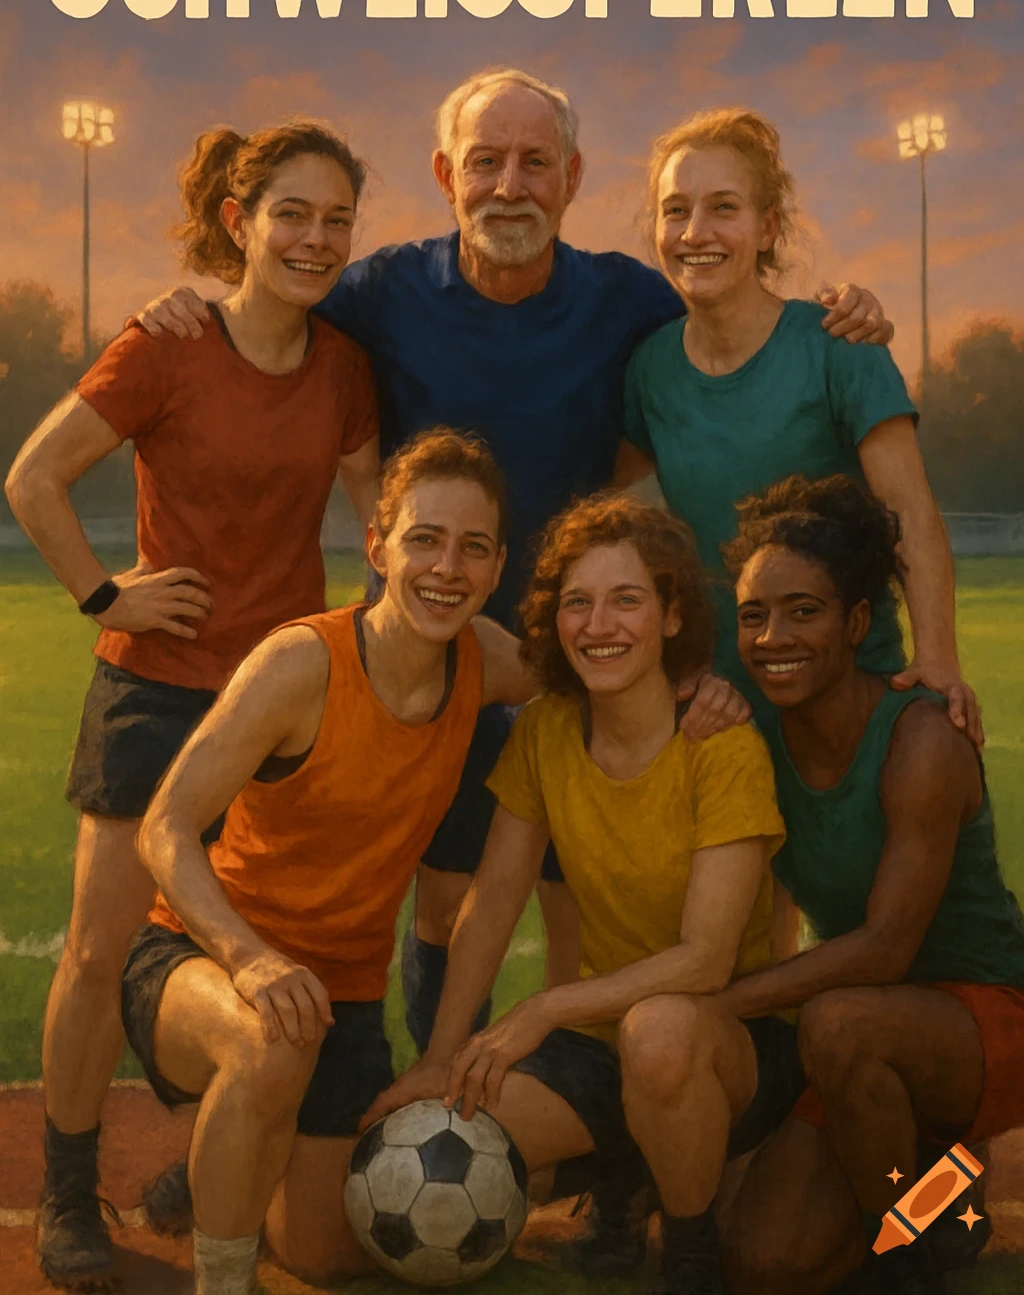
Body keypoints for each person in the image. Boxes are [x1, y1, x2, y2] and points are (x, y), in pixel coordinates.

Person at [132, 69, 892, 1056]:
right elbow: (273, 303)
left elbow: (732, 295)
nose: (510, 185)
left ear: (571, 177)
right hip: (437, 653)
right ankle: (438, 1104)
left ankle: (592, 1136)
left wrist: (843, 309)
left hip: (586, 650)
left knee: (588, 908)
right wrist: (184, 306)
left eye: (536, 163)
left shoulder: (625, 297)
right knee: (447, 901)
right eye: (485, 161)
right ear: (447, 173)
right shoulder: (383, 292)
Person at [4, 120, 380, 1291]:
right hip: (155, 693)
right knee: (102, 952)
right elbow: (34, 475)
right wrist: (107, 590)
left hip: (279, 709)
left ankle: (193, 1177)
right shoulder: (165, 344)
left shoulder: (345, 368)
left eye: (335, 221)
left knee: (274, 957)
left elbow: (379, 521)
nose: (315, 240)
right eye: (292, 215)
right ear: (240, 221)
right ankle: (73, 1200)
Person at [120, 428, 538, 1294]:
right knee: (269, 1044)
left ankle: (233, 1151)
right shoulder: (301, 663)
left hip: (340, 995)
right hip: (203, 963)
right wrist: (250, 957)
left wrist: (704, 690)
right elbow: (164, 825)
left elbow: (603, 675)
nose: (446, 568)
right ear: (378, 545)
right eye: (424, 538)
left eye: (473, 548)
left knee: (323, 1253)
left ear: (498, 569)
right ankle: (221, 1277)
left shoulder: (486, 662)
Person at [362, 493, 804, 1295]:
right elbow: (493, 898)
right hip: (601, 1040)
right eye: (578, 603)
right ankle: (627, 1170)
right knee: (441, 1137)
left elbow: (705, 962)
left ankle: (692, 1248)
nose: (600, 625)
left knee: (660, 1035)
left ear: (671, 617)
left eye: (626, 600)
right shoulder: (547, 730)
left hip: (722, 1042)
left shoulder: (722, 745)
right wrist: (438, 1058)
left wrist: (541, 1009)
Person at [715, 475, 1024, 1295]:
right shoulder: (756, 741)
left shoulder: (920, 736)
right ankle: (946, 1186)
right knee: (764, 1260)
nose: (774, 635)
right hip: (862, 1031)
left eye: (804, 610)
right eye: (754, 615)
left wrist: (723, 998)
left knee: (841, 1023)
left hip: (982, 1014)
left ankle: (904, 1255)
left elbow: (887, 949)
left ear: (857, 623)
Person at [616, 107, 981, 747]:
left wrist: (939, 660)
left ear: (767, 227)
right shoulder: (649, 370)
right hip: (721, 710)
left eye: (724, 207)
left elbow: (912, 515)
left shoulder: (841, 346)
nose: (695, 231)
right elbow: (613, 509)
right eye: (676, 210)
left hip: (850, 696)